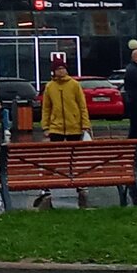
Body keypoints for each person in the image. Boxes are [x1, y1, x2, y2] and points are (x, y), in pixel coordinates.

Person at [40, 60, 92, 208]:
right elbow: (46, 108)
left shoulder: (74, 85)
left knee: (73, 157)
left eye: (63, 68)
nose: (61, 71)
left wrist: (85, 124)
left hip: (74, 126)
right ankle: (48, 183)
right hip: (56, 127)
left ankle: (78, 183)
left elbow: (82, 106)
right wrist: (46, 126)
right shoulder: (50, 86)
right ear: (54, 71)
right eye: (58, 69)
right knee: (54, 157)